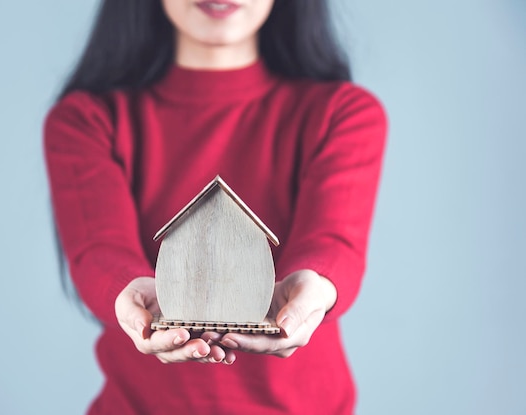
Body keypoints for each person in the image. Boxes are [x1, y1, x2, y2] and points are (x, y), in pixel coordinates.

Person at [44, 0, 387, 414]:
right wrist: (131, 292)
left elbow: (334, 240)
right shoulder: (87, 120)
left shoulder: (343, 113)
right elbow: (99, 249)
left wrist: (313, 285)